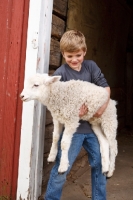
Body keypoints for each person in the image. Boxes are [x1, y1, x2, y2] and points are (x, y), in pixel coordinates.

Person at [44, 30, 110, 200]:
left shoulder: (91, 67)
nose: (74, 60)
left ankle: (99, 197)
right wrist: (75, 112)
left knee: (101, 162)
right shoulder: (61, 74)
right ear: (63, 54)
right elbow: (56, 102)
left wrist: (98, 111)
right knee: (62, 167)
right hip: (72, 131)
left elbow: (105, 89)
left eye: (78, 55)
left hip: (93, 128)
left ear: (84, 52)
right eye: (69, 56)